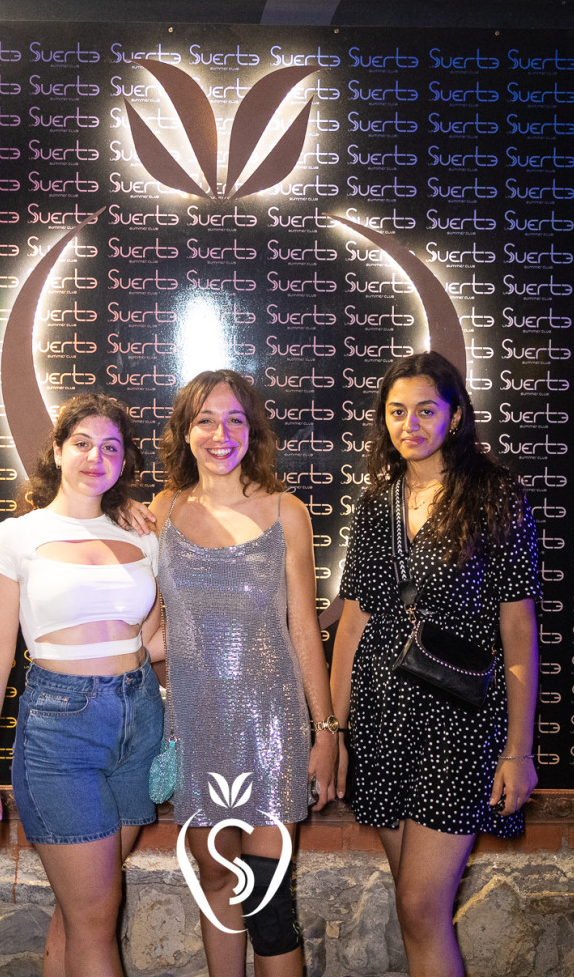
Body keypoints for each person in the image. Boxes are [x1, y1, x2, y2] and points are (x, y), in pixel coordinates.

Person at [328, 351, 542, 977]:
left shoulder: (494, 495)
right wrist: (334, 732)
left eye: (426, 410)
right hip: (380, 720)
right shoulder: (379, 500)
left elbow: (518, 629)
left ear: (455, 416)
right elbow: (354, 622)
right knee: (411, 906)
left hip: (457, 725)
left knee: (422, 906)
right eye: (397, 412)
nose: (410, 424)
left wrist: (518, 752)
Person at [147, 369, 338, 977]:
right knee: (215, 879)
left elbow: (304, 629)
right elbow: (149, 628)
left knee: (269, 897)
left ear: (252, 430)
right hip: (195, 728)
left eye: (234, 419)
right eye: (204, 420)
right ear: (185, 432)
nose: (220, 434)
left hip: (272, 729)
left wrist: (327, 732)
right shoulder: (162, 510)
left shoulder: (287, 511)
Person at [0, 393, 162, 977]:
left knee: (79, 911)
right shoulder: (14, 537)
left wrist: (240, 621)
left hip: (138, 726)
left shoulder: (143, 536)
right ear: (56, 451)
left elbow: (151, 642)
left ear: (124, 461)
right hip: (60, 732)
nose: (95, 457)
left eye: (111, 447)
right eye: (82, 443)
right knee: (97, 915)